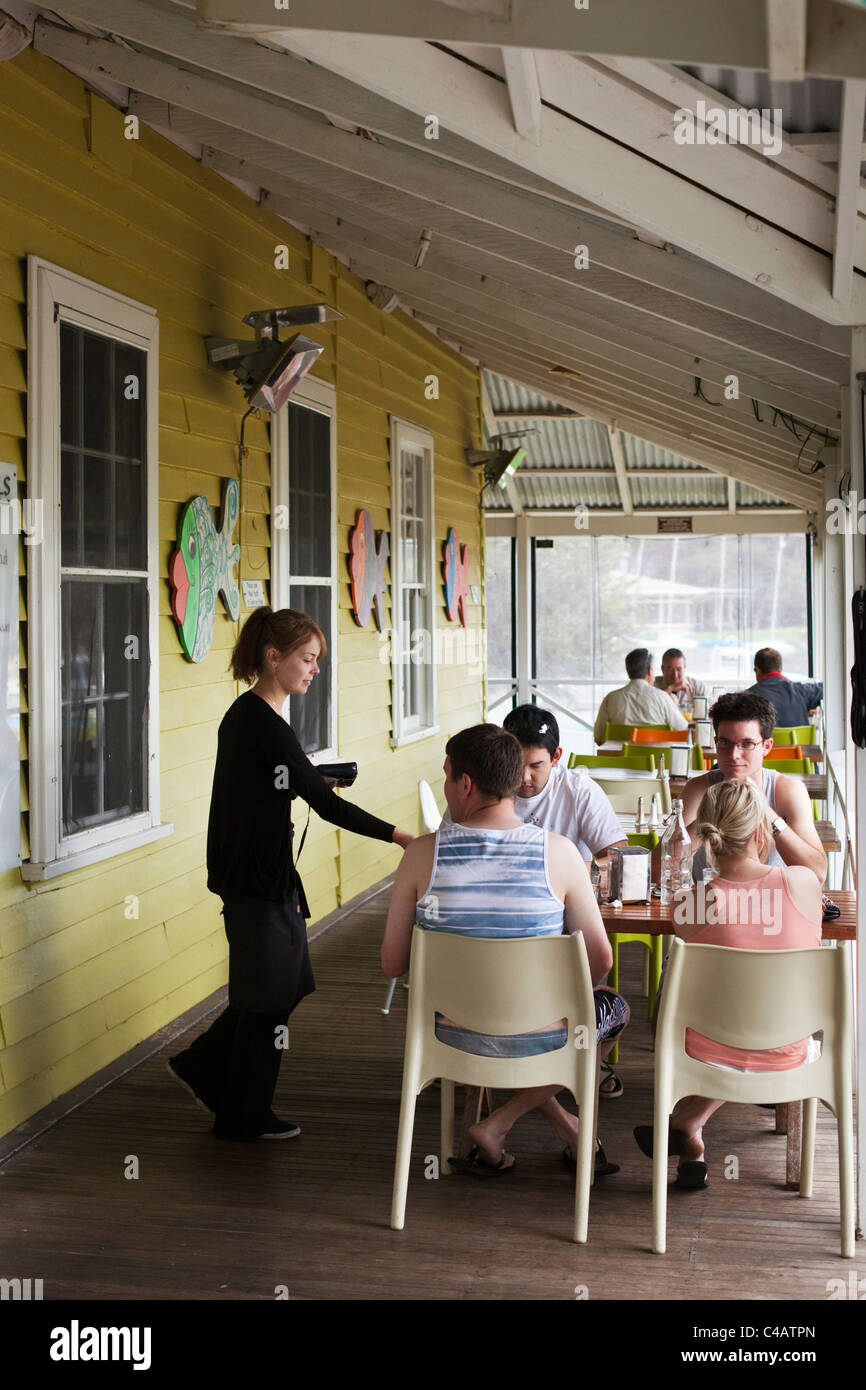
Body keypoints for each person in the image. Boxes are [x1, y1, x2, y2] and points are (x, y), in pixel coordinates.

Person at [167, 606, 414, 1142]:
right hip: (256, 880)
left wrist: (307, 777)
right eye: (307, 658)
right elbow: (326, 808)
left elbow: (266, 783)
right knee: (269, 998)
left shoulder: (256, 717)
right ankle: (242, 1114)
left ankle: (205, 1065)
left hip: (262, 876)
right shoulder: (259, 720)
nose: (314, 669)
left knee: (284, 985)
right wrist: (404, 837)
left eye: (317, 660)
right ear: (273, 657)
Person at [381, 724, 629, 1176]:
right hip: (544, 1035)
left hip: (447, 1033)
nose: (445, 785)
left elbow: (393, 963)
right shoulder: (560, 854)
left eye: (447, 776)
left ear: (466, 784)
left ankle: (498, 1125)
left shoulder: (420, 855)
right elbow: (601, 961)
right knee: (611, 1007)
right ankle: (514, 1123)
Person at [633, 779, 822, 1189]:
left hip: (706, 1051)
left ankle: (687, 1125)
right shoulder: (804, 885)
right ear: (760, 833)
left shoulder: (690, 904)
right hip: (787, 1048)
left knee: (707, 1006)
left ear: (706, 837)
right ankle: (688, 1127)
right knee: (756, 1011)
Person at [504, 703, 628, 1098]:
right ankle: (571, 1064)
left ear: (557, 757)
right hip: (506, 937)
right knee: (611, 1002)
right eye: (515, 764)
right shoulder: (489, 787)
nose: (523, 778)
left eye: (536, 765)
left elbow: (617, 855)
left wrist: (571, 880)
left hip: (561, 927)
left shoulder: (577, 790)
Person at [679, 691, 826, 884]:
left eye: (747, 744)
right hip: (708, 907)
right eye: (725, 743)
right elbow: (659, 871)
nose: (734, 755)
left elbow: (818, 875)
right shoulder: (698, 789)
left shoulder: (788, 791)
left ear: (767, 746)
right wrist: (709, 814)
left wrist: (766, 811)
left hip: (770, 907)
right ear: (715, 743)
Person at [593, 648, 687, 744]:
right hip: (658, 758)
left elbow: (598, 738)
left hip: (621, 758)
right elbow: (683, 731)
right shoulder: (663, 697)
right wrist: (674, 705)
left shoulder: (610, 699)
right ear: (649, 670)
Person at [746, 648, 823, 729]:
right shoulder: (800, 690)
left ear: (757, 670)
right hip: (800, 742)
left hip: (768, 741)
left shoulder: (748, 697)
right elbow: (825, 689)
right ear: (781, 668)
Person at [654, 648, 707, 713]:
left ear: (684, 668)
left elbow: (711, 711)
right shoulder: (652, 685)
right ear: (662, 669)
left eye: (679, 669)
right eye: (670, 669)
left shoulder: (698, 686)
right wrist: (670, 689)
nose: (675, 675)